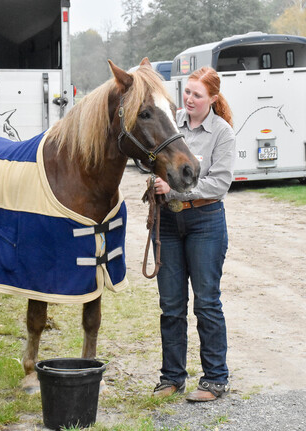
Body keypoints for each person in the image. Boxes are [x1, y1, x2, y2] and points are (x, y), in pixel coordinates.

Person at [151, 67, 236, 402]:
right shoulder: (172, 122)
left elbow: (219, 183)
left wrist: (173, 191)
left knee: (207, 303)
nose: (189, 99)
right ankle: (171, 378)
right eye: (186, 92)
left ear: (212, 99)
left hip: (206, 222)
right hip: (169, 225)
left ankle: (215, 379)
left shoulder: (222, 133)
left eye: (197, 95)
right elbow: (156, 160)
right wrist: (155, 183)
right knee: (171, 305)